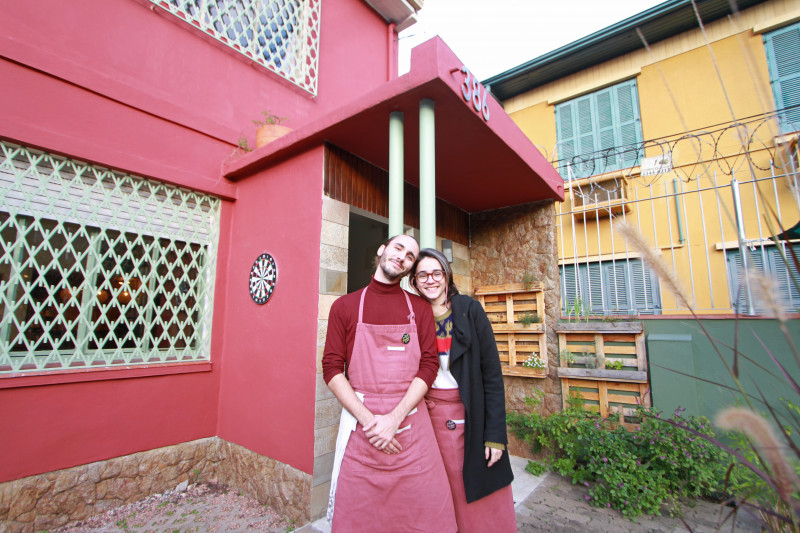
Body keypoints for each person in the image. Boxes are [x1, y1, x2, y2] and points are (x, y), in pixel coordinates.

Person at [322, 235, 456, 533]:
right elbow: (331, 369)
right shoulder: (344, 307)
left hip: (412, 432)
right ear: (382, 249)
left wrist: (394, 419)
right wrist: (372, 423)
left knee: (426, 514)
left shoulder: (420, 309)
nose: (403, 256)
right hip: (362, 430)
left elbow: (429, 365)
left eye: (410, 255)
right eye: (398, 248)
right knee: (359, 517)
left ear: (410, 268)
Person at [410, 248, 517, 533]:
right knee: (436, 492)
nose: (430, 280)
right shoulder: (413, 317)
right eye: (422, 274)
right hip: (427, 418)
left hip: (470, 413)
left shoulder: (469, 310)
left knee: (475, 491)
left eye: (437, 273)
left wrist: (495, 435)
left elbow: (492, 375)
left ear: (447, 276)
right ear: (414, 281)